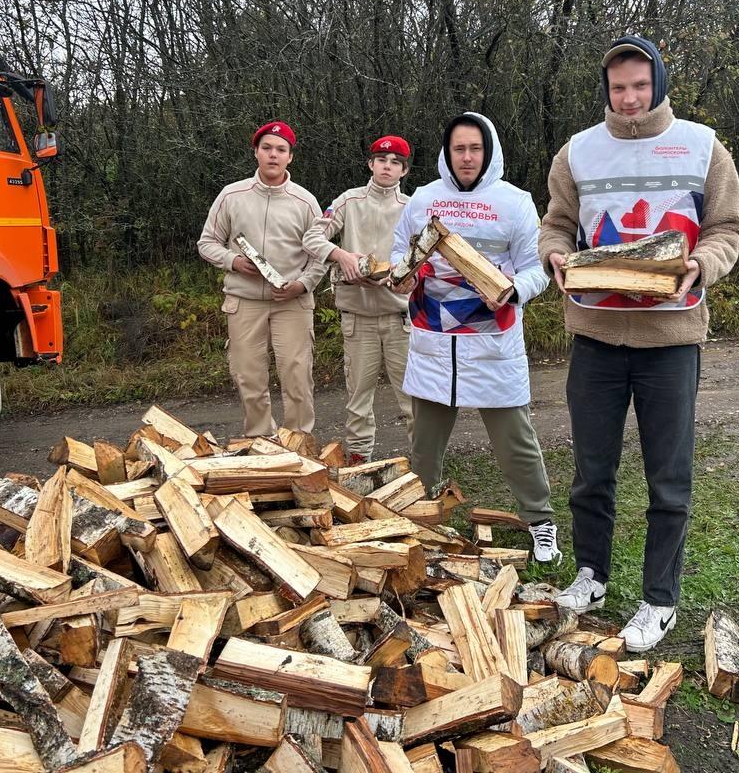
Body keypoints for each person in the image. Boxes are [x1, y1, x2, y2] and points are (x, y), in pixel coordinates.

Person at [540, 35, 739, 651]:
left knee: (668, 478)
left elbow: (727, 228)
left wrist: (703, 264)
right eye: (618, 88)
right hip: (595, 332)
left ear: (658, 83)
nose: (629, 98)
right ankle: (591, 576)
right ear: (606, 90)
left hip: (671, 338)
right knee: (591, 470)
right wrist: (554, 254)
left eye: (639, 85)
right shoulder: (577, 151)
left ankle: (659, 599)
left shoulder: (703, 146)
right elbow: (556, 223)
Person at [391, 112, 561, 563]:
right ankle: (420, 518)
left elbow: (536, 268)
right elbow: (400, 251)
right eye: (459, 149)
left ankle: (540, 520)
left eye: (475, 148)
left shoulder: (514, 202)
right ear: (447, 153)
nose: (467, 157)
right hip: (433, 340)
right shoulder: (424, 199)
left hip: (491, 342)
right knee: (424, 445)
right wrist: (403, 276)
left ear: (489, 151)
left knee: (515, 440)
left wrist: (512, 290)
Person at [198, 120, 328, 437]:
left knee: (297, 375)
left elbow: (321, 255)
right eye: (267, 148)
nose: (273, 155)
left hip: (292, 303)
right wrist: (233, 261)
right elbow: (207, 243)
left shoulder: (305, 201)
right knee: (248, 376)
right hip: (244, 301)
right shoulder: (232, 195)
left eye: (281, 150)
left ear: (290, 157)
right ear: (255, 151)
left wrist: (302, 285)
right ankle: (260, 440)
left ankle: (299, 441)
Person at [302, 136, 415, 463]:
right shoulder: (348, 201)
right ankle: (358, 464)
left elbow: (425, 254)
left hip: (400, 319)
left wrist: (409, 276)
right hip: (358, 318)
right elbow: (311, 237)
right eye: (382, 160)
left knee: (413, 399)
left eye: (395, 162)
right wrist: (341, 255)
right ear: (370, 164)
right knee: (358, 401)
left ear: (404, 170)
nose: (387, 167)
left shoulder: (411, 207)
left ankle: (423, 468)